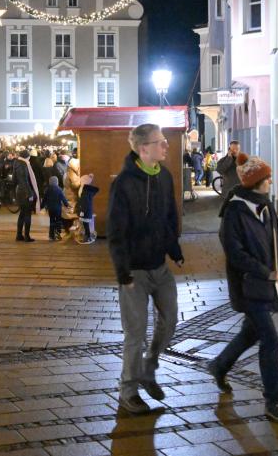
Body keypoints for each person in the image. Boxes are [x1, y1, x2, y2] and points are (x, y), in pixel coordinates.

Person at [206, 154, 278, 423]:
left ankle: (220, 365)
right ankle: (273, 401)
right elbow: (235, 253)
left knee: (250, 334)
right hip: (249, 284)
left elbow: (276, 241)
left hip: (269, 282)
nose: (270, 181)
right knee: (270, 339)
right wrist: (264, 271)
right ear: (255, 182)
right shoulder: (235, 211)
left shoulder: (265, 205)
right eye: (266, 178)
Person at [107, 123, 183, 414]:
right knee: (135, 332)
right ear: (143, 148)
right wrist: (122, 271)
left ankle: (149, 366)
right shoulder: (125, 182)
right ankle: (129, 391)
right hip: (135, 271)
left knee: (170, 322)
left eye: (164, 141)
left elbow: (168, 217)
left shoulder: (164, 176)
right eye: (160, 142)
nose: (166, 146)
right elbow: (116, 230)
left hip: (159, 267)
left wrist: (174, 250)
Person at [13, 149, 40, 242]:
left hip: (19, 191)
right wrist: (29, 194)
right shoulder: (24, 164)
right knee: (27, 214)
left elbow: (14, 180)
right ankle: (27, 236)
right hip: (25, 193)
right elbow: (24, 181)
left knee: (22, 214)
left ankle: (19, 235)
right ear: (26, 156)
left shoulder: (16, 163)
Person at [77, 172, 99, 244]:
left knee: (86, 225)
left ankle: (88, 237)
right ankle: (87, 236)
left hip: (85, 211)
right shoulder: (88, 191)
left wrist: (82, 211)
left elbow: (85, 203)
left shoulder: (85, 192)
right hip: (86, 210)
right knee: (85, 224)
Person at [45, 175, 67, 241]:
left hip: (50, 209)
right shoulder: (59, 189)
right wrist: (67, 205)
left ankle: (51, 235)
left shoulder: (47, 190)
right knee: (58, 221)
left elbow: (45, 199)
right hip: (58, 209)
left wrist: (41, 206)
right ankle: (58, 233)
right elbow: (63, 198)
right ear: (57, 182)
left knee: (52, 221)